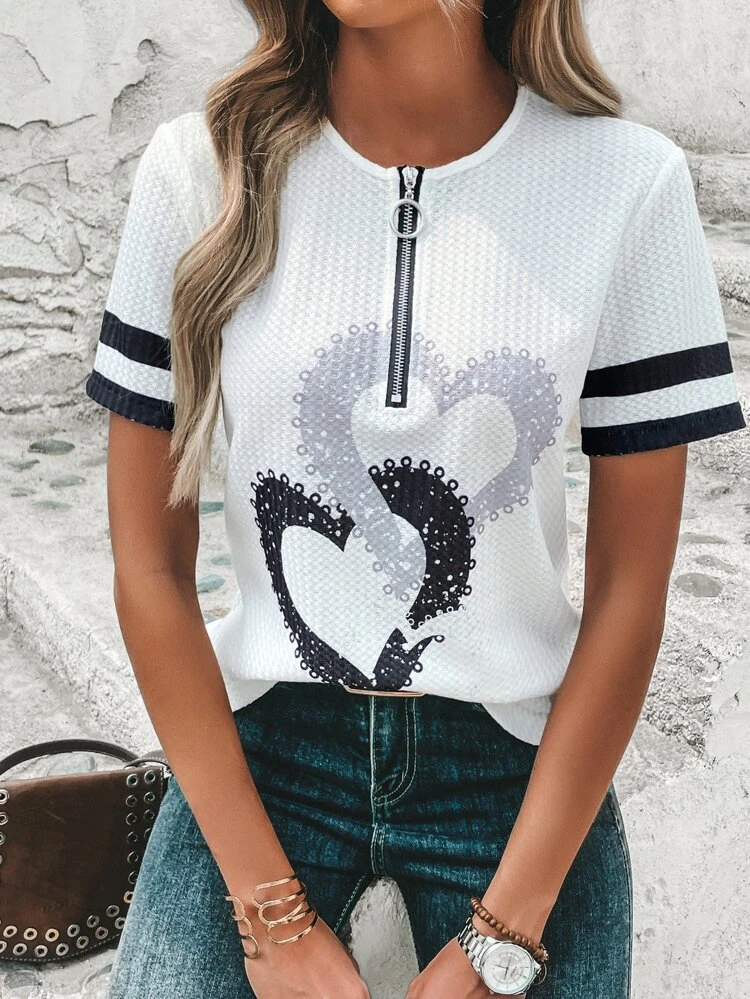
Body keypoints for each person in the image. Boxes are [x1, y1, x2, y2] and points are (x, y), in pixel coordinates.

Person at [84, 1, 747, 997]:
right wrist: (269, 909)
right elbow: (147, 565)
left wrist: (506, 930)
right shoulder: (197, 170)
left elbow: (629, 593)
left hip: (512, 768)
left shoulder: (626, 185)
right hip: (264, 750)